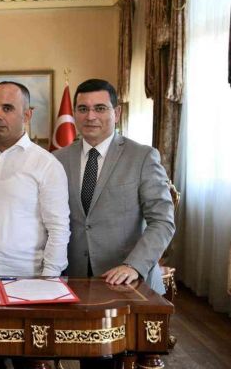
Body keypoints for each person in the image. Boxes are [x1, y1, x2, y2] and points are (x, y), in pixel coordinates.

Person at [0, 82, 69, 369]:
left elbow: (59, 229)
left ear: (27, 114)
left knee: (28, 362)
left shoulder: (46, 164)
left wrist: (48, 283)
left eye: (7, 108)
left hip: (27, 285)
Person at [53, 79, 174, 294]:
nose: (90, 116)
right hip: (73, 279)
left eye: (100, 108)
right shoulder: (57, 159)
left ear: (117, 113)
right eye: (83, 109)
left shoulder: (142, 157)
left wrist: (134, 265)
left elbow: (162, 221)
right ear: (74, 114)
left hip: (130, 281)